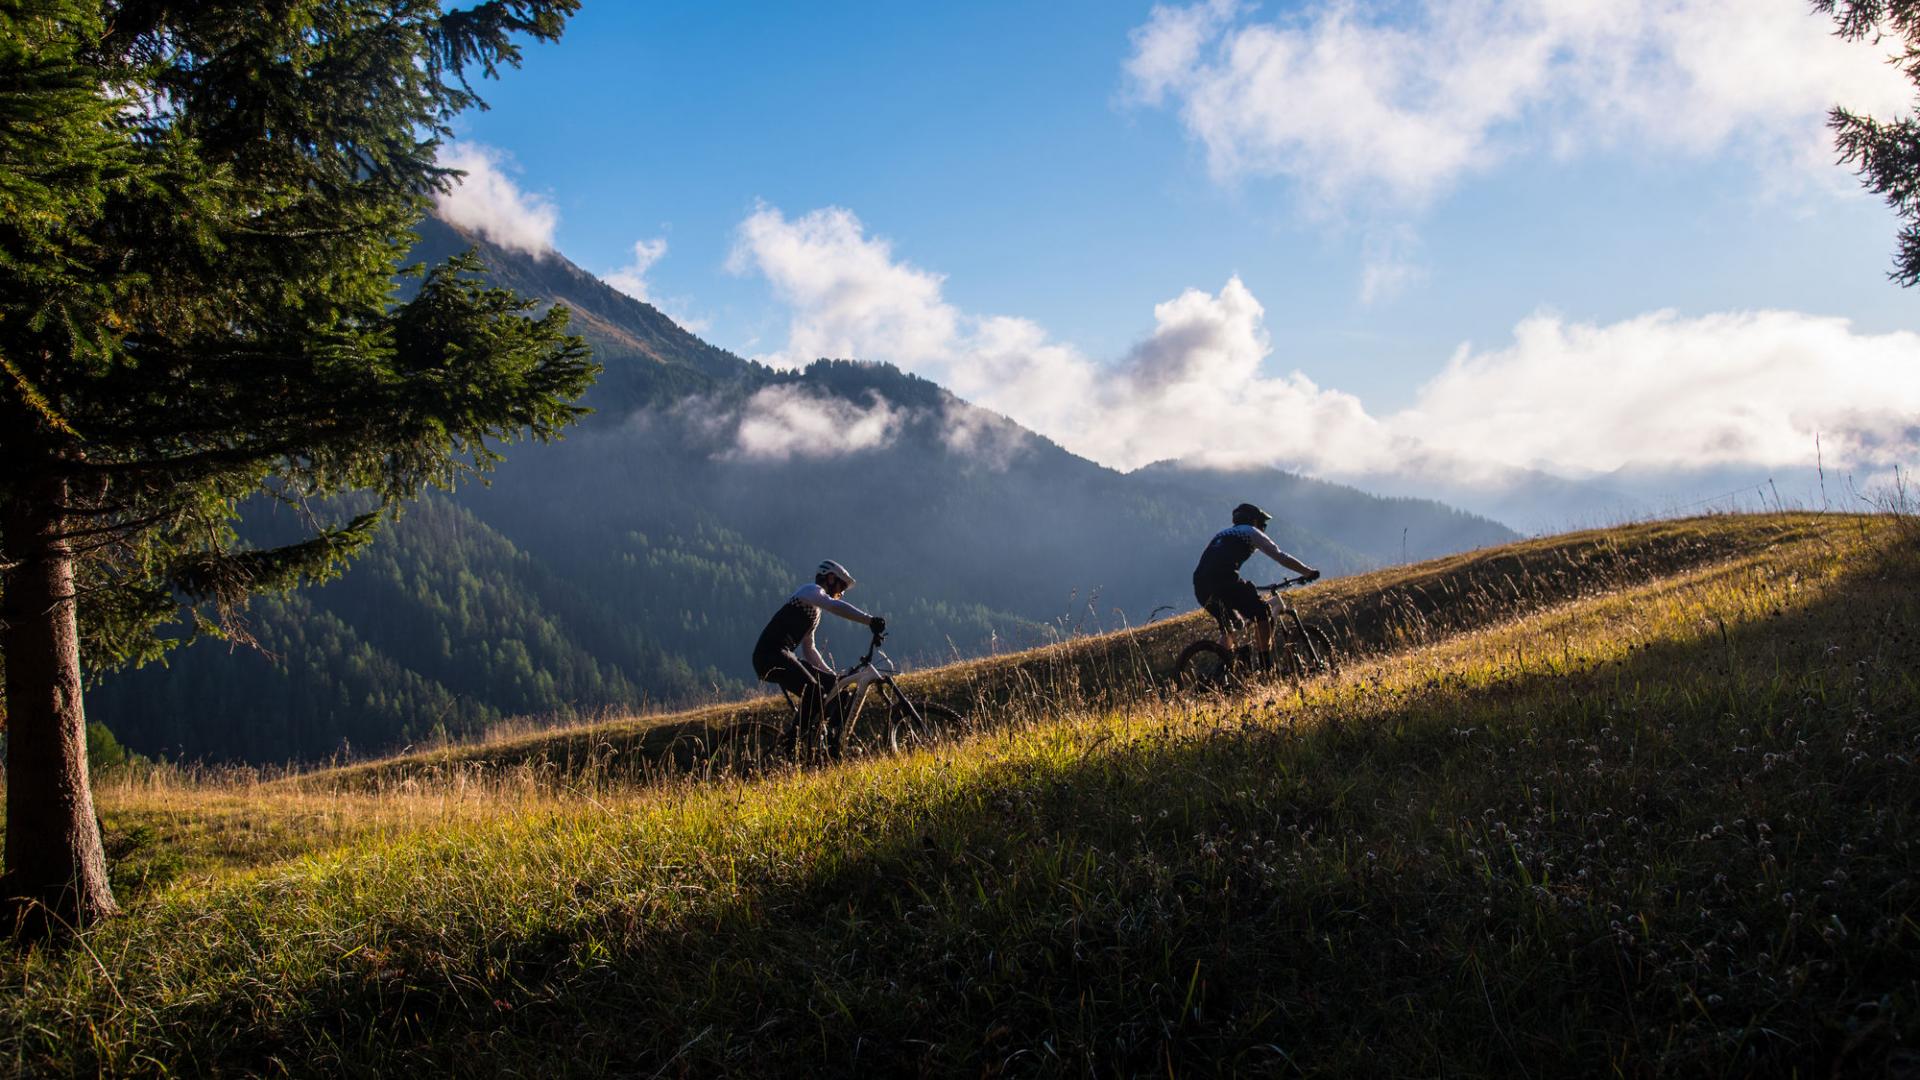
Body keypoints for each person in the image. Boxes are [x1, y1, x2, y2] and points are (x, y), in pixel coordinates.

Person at [752, 559, 886, 759]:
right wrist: (869, 620)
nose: (841, 593)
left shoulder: (813, 611)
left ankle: (832, 748)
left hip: (783, 655)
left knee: (838, 691)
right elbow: (834, 606)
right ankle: (790, 748)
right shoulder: (810, 591)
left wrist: (833, 676)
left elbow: (810, 650)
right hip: (769, 655)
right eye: (841, 587)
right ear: (830, 578)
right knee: (814, 692)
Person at [1193, 503, 1319, 668]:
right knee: (1262, 611)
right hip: (1224, 582)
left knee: (1231, 627)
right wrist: (1307, 572)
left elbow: (1214, 563)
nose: (1263, 529)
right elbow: (1281, 557)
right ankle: (1266, 666)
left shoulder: (1221, 534)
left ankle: (1222, 670)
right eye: (1263, 524)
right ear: (1254, 521)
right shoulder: (1250, 532)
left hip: (1201, 586)